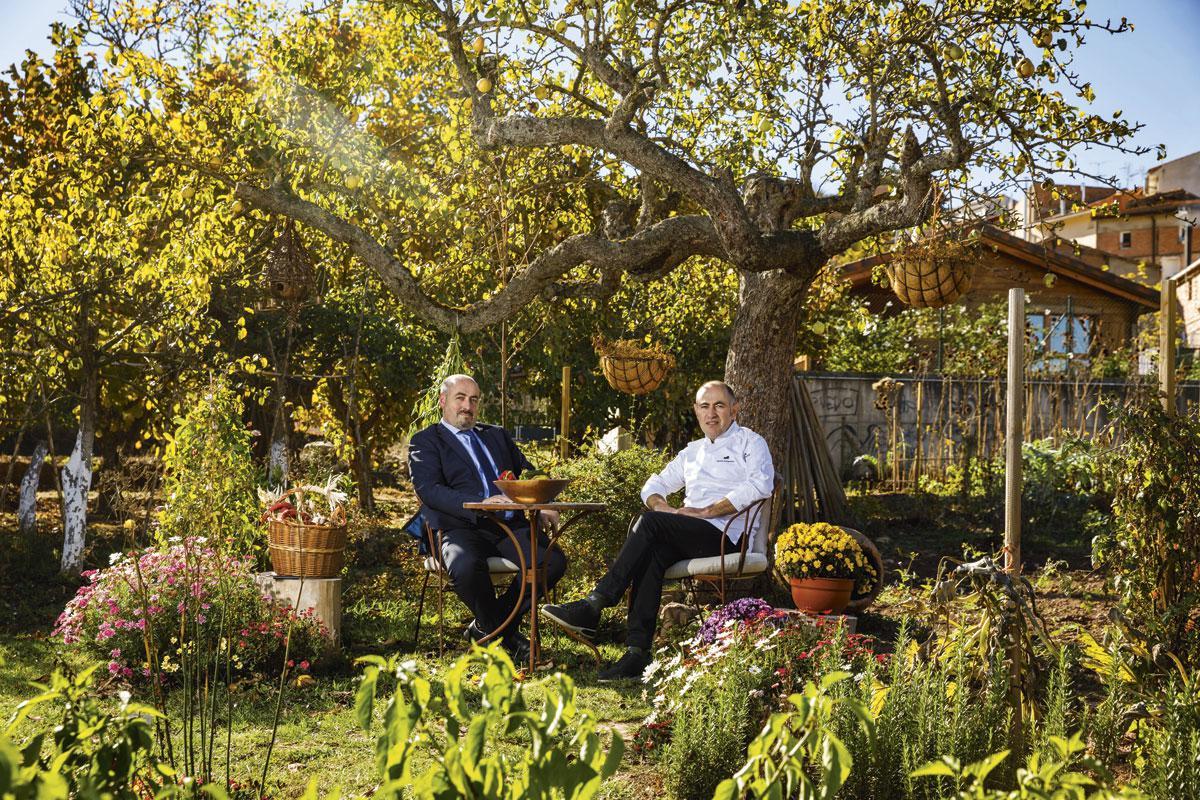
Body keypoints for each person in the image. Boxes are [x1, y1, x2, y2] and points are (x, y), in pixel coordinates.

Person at [541, 380, 774, 681]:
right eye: (705, 406)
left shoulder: (751, 443)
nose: (711, 413)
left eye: (719, 405)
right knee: (652, 551)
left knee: (648, 524)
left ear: (734, 409)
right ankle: (636, 653)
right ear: (696, 411)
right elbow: (654, 485)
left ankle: (595, 604)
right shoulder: (693, 452)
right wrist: (664, 508)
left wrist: (706, 511)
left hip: (727, 536)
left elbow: (760, 485)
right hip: (690, 533)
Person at [408, 374, 565, 663]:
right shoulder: (426, 441)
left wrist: (544, 503)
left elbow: (528, 474)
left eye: (474, 399)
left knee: (552, 561)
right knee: (465, 566)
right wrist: (480, 503)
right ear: (443, 401)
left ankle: (487, 627)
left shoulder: (496, 435)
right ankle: (505, 634)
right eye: (460, 398)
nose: (468, 406)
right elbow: (430, 490)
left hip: (508, 525)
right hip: (460, 527)